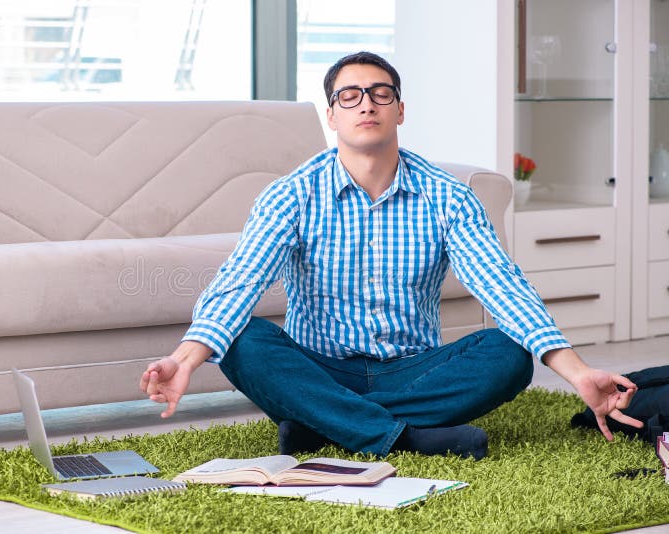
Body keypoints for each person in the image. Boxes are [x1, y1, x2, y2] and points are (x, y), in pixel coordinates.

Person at [139, 51, 642, 460]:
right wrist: (185, 359)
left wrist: (578, 373)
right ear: (332, 115)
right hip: (322, 366)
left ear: (400, 110)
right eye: (350, 96)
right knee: (244, 340)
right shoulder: (291, 194)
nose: (367, 104)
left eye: (381, 94)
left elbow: (503, 286)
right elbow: (238, 283)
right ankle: (402, 437)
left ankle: (323, 425)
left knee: (509, 352)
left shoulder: (448, 196)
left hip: (413, 368)